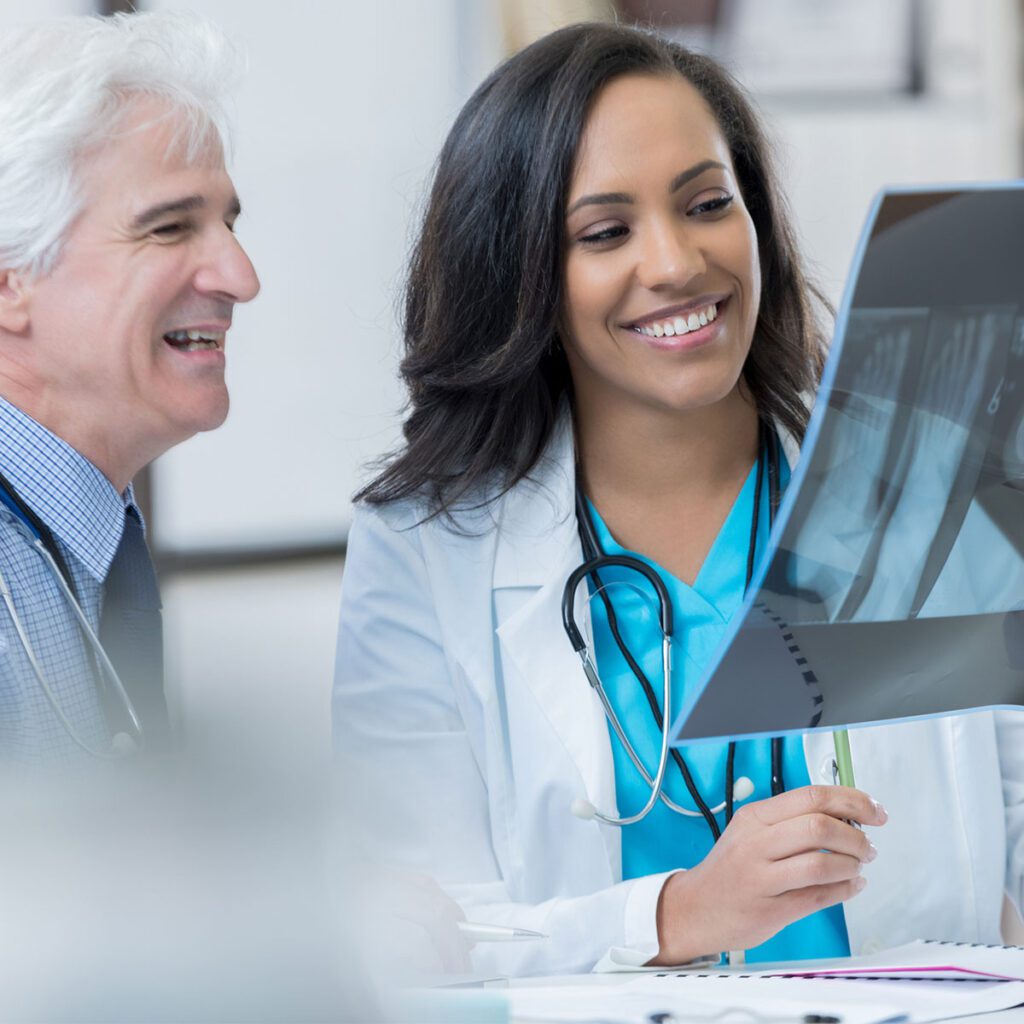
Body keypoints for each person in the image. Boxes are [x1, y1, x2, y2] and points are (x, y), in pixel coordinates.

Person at [333, 22, 1024, 975]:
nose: (675, 262)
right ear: (521, 271)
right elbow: (422, 937)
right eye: (605, 231)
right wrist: (679, 915)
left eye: (707, 204)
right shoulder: (422, 546)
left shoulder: (924, 473)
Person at [0, 12, 260, 763]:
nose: (243, 278)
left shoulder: (88, 533)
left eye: (229, 226)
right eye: (170, 229)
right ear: (9, 280)